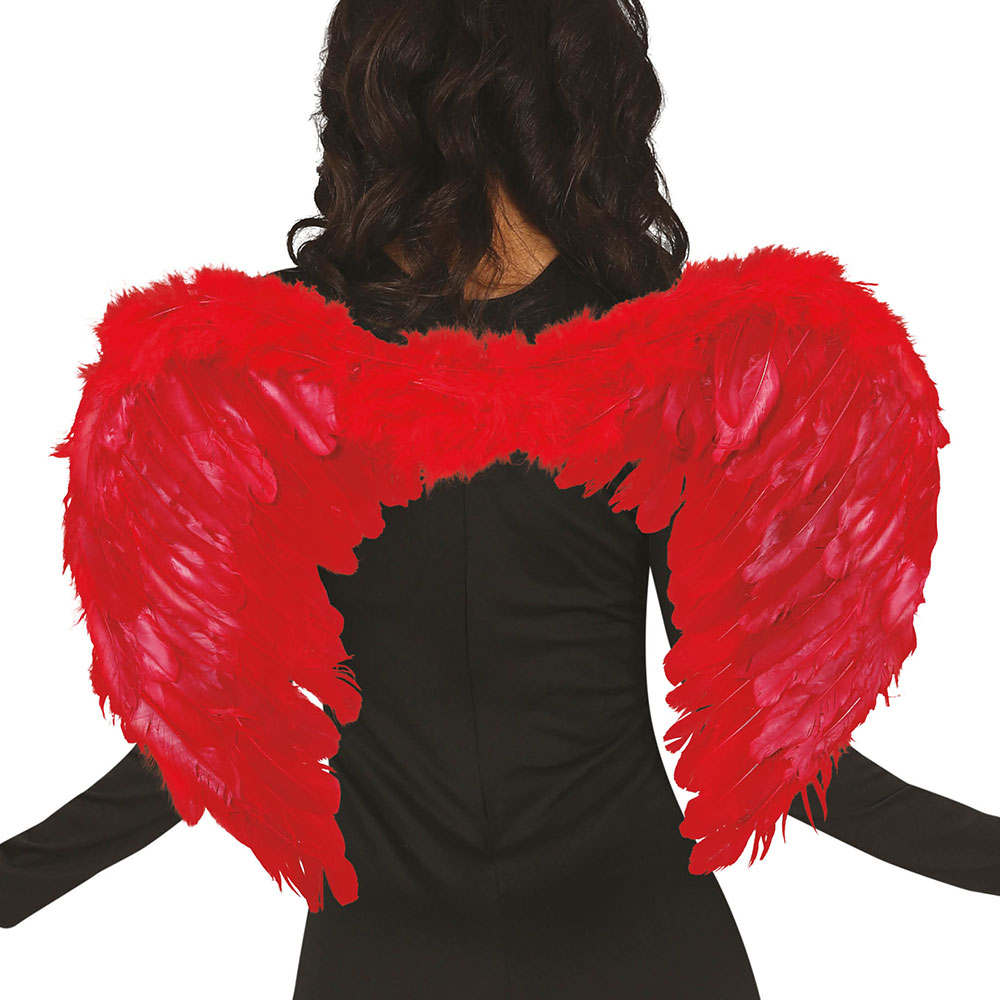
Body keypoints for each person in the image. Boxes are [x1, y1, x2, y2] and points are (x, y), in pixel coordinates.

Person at [2, 2, 998, 998]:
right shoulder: (656, 348)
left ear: (371, 94)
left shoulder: (277, 365)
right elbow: (781, 749)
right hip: (637, 946)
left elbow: (203, 736)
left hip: (391, 955)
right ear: (586, 100)